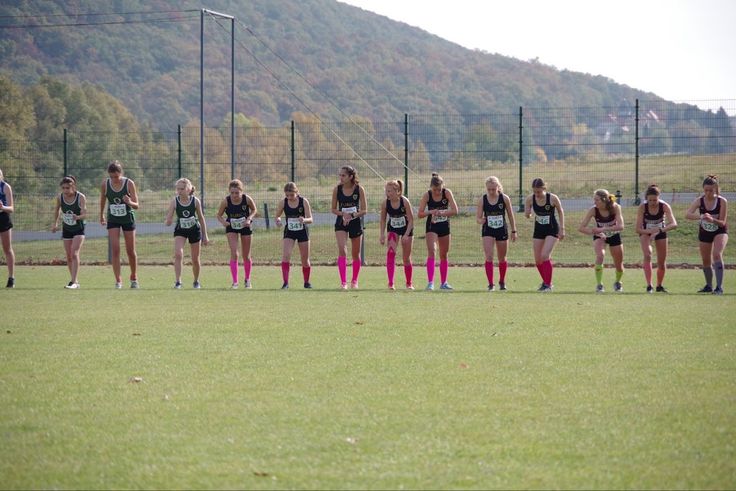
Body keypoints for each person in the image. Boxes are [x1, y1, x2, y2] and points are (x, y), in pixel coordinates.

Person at [99, 160, 139, 289]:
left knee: (130, 251)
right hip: (113, 219)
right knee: (115, 250)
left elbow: (137, 205)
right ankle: (118, 280)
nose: (114, 179)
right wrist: (101, 215)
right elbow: (103, 199)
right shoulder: (105, 184)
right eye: (111, 177)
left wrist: (129, 202)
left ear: (121, 173)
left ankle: (134, 277)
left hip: (127, 219)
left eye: (116, 176)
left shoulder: (129, 183)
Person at [686, 175, 728, 294]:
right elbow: (688, 214)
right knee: (705, 260)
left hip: (720, 230)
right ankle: (708, 286)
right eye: (706, 190)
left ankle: (719, 287)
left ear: (716, 189)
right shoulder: (699, 200)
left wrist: (712, 220)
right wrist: (701, 216)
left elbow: (722, 222)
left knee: (716, 254)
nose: (708, 193)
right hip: (705, 231)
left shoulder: (722, 201)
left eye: (711, 190)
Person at [165, 178, 210, 289]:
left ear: (189, 189)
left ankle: (196, 281)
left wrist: (205, 235)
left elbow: (201, 218)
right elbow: (169, 217)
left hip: (194, 230)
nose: (179, 191)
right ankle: (178, 282)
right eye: (178, 189)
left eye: (182, 188)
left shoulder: (195, 201)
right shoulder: (175, 201)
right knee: (178, 254)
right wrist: (168, 221)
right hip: (181, 230)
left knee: (195, 258)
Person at [578, 189, 625, 293]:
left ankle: (617, 282)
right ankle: (599, 284)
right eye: (594, 200)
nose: (594, 202)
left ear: (604, 200)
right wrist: (594, 232)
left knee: (619, 264)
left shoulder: (615, 207)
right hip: (600, 236)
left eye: (597, 200)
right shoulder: (593, 210)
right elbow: (581, 228)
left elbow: (621, 226)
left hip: (614, 235)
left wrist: (603, 229)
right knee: (600, 255)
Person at [417, 173, 459, 290]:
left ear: (443, 186)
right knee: (432, 251)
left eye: (439, 189)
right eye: (435, 190)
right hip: (432, 226)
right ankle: (430, 282)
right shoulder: (427, 195)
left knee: (443, 254)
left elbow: (455, 210)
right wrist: (430, 212)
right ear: (431, 187)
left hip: (444, 226)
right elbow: (420, 214)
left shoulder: (447, 193)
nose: (437, 192)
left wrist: (442, 213)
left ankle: (444, 282)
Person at [475, 176, 517, 291]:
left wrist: (514, 230)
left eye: (494, 189)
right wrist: (481, 220)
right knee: (489, 256)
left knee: (502, 258)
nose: (492, 191)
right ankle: (490, 284)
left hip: (501, 229)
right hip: (488, 230)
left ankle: (502, 282)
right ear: (486, 189)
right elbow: (477, 218)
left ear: (498, 187)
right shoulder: (483, 200)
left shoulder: (504, 198)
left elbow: (510, 215)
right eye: (489, 189)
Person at [524, 178, 565, 292]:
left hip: (552, 229)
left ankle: (547, 285)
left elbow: (561, 212)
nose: (537, 194)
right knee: (538, 260)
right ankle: (547, 282)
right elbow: (527, 214)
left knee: (545, 255)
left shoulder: (552, 198)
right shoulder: (530, 199)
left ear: (544, 188)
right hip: (539, 230)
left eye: (539, 191)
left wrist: (562, 228)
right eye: (535, 192)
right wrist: (528, 214)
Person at [635, 184, 677, 293]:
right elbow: (638, 229)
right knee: (648, 254)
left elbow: (674, 224)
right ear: (646, 199)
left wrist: (659, 231)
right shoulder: (642, 207)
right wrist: (651, 232)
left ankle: (659, 285)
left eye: (655, 200)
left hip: (661, 232)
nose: (653, 203)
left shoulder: (664, 206)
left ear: (659, 197)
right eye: (650, 200)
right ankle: (649, 285)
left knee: (661, 262)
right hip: (646, 233)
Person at [216, 179, 257, 289]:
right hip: (232, 228)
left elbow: (254, 210)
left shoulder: (247, 199)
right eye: (232, 193)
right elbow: (219, 215)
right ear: (229, 192)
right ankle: (235, 282)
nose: (234, 195)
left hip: (245, 227)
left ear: (241, 191)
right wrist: (224, 222)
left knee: (246, 255)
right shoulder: (226, 201)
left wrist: (249, 219)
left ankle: (247, 280)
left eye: (237, 193)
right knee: (234, 253)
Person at [332, 165, 367, 289]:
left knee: (355, 254)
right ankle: (343, 282)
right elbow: (333, 209)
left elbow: (364, 210)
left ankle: (354, 281)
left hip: (355, 222)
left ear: (351, 176)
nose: (340, 177)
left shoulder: (359, 189)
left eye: (343, 175)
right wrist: (343, 214)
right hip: (341, 222)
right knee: (342, 249)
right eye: (340, 175)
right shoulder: (337, 189)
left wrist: (352, 215)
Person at [274, 182, 314, 289]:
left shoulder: (303, 201)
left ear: (297, 192)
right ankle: (285, 283)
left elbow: (311, 219)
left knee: (305, 259)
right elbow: (277, 216)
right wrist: (278, 221)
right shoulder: (283, 202)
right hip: (290, 231)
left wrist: (304, 220)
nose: (289, 197)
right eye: (287, 195)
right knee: (286, 255)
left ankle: (307, 282)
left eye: (292, 195)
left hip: (302, 231)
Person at [51, 176, 87, 289]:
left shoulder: (81, 197)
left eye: (68, 188)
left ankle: (73, 282)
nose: (65, 190)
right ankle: (75, 280)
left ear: (73, 187)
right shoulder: (60, 198)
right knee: (69, 256)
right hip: (66, 229)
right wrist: (55, 224)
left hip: (78, 229)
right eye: (63, 188)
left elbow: (85, 214)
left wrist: (78, 217)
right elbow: (57, 210)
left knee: (74, 253)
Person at [379, 179, 415, 290]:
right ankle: (391, 283)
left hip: (406, 229)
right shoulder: (386, 203)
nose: (387, 193)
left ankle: (409, 283)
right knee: (390, 253)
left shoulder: (404, 202)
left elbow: (411, 220)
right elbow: (383, 220)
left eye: (389, 191)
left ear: (397, 191)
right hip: (392, 229)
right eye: (386, 191)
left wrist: (406, 234)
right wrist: (382, 234)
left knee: (406, 258)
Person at [0, 168, 15, 288]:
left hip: (3, 218)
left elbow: (11, 208)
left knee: (7, 249)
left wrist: (2, 207)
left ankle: (11, 278)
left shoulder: (5, 187)